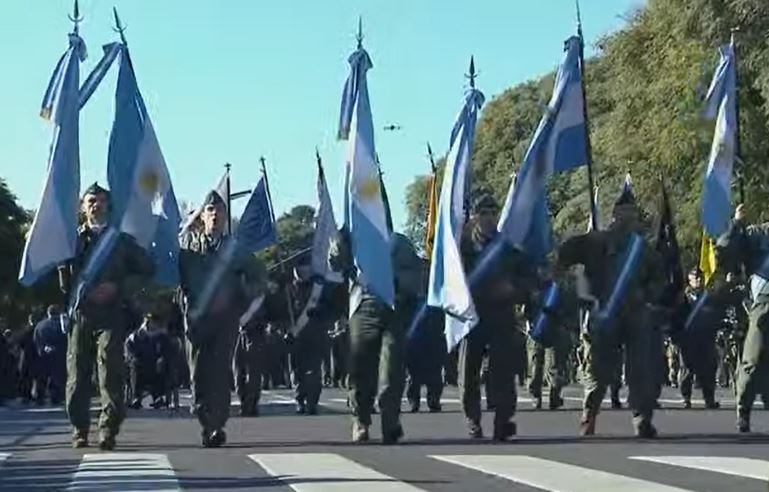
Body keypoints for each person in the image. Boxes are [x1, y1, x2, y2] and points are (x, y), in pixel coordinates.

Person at [557, 185, 663, 438]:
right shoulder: (597, 241)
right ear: (614, 215)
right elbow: (565, 255)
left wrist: (648, 297)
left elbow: (658, 279)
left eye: (631, 213)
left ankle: (641, 418)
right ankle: (589, 413)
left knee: (640, 369)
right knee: (598, 369)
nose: (627, 219)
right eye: (622, 213)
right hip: (604, 313)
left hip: (635, 314)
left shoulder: (644, 249)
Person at [63, 183, 155, 450]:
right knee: (77, 374)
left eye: (101, 200)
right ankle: (80, 428)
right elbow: (61, 279)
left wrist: (119, 287)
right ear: (83, 207)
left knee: (110, 371)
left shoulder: (121, 242)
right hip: (81, 313)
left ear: (108, 206)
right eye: (91, 200)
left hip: (112, 313)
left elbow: (147, 268)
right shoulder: (71, 242)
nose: (96, 205)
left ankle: (108, 429)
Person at [179, 190, 265, 447]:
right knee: (197, 375)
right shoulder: (187, 247)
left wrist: (240, 299)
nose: (215, 215)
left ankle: (216, 424)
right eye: (210, 211)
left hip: (224, 320)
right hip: (195, 320)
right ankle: (204, 415)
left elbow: (259, 279)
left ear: (226, 217)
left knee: (218, 373)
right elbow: (174, 278)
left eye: (220, 212)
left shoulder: (235, 249)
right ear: (202, 216)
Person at [329, 230, 423, 444]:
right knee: (360, 369)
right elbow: (335, 264)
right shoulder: (354, 239)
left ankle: (390, 422)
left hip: (393, 308)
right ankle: (360, 420)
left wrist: (397, 282)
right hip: (362, 307)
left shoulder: (399, 242)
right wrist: (338, 242)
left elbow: (414, 274)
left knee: (392, 369)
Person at [458, 193, 537, 441]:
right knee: (468, 370)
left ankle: (503, 420)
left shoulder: (508, 250)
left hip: (501, 313)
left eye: (492, 213)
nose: (488, 219)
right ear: (473, 218)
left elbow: (528, 279)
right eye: (483, 214)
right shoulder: (460, 250)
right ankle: (473, 419)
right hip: (471, 315)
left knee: (503, 369)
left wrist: (515, 290)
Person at [716, 204, 769, 432]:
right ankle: (743, 409)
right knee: (753, 357)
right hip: (764, 302)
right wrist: (736, 223)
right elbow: (725, 248)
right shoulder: (757, 234)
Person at [672, 268, 720, 409]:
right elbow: (677, 317)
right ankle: (686, 397)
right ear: (689, 279)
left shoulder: (708, 297)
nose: (698, 280)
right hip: (689, 337)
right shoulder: (683, 297)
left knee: (709, 369)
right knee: (687, 369)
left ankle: (709, 399)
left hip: (706, 337)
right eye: (695, 278)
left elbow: (714, 315)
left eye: (700, 277)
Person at [33, 306, 67, 405]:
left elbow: (35, 339)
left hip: (43, 353)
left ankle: (40, 397)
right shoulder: (61, 325)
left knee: (42, 376)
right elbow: (64, 338)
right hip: (57, 353)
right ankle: (55, 397)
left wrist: (42, 347)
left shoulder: (40, 325)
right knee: (56, 376)